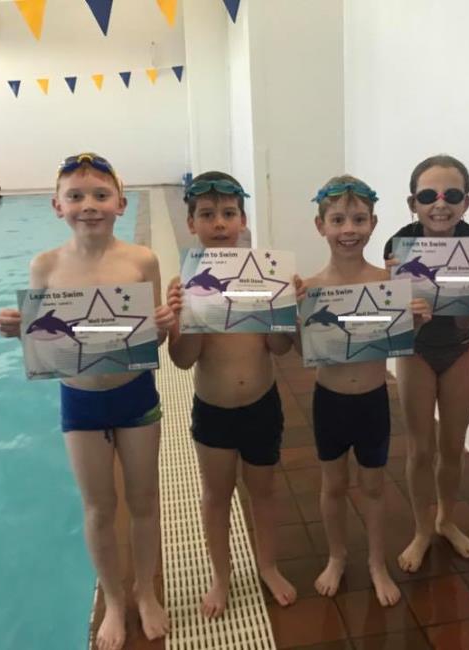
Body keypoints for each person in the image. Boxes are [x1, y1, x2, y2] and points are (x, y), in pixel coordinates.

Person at [0, 153, 177, 650]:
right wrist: (17, 331)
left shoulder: (141, 260)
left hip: (135, 394)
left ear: (121, 203)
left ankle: (145, 592)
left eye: (100, 195)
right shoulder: (46, 265)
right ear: (57, 206)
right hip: (79, 402)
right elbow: (43, 341)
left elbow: (152, 339)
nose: (89, 205)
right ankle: (114, 601)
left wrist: (163, 326)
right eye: (75, 196)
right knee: (98, 507)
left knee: (144, 502)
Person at [166, 171, 298, 618]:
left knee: (264, 491)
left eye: (228, 213)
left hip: (262, 405)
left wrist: (281, 311)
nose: (219, 223)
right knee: (216, 495)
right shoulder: (186, 282)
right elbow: (183, 360)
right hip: (214, 410)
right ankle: (221, 576)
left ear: (243, 220)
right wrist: (183, 317)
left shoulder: (263, 275)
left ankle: (268, 565)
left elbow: (279, 348)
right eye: (207, 215)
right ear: (192, 224)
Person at [296, 175, 430, 606]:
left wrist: (417, 320)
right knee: (333, 485)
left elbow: (401, 339)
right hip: (329, 401)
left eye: (358, 219)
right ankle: (337, 556)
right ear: (320, 225)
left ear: (373, 223)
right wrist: (293, 317)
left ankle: (376, 562)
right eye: (338, 220)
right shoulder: (310, 289)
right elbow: (301, 350)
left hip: (373, 400)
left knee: (373, 487)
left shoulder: (388, 282)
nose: (348, 229)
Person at [383, 154, 469, 571]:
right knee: (420, 448)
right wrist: (396, 291)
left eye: (451, 195)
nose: (440, 204)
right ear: (412, 203)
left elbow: (468, 317)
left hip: (459, 348)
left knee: (453, 446)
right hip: (416, 351)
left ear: (466, 202)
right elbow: (395, 318)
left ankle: (446, 519)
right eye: (428, 196)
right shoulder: (398, 245)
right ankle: (422, 529)